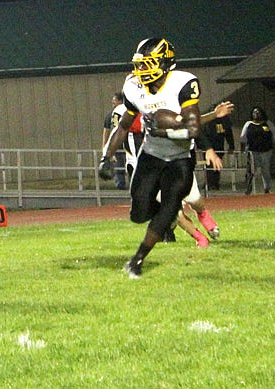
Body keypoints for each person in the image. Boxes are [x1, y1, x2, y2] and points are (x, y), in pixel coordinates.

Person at [99, 37, 209, 278]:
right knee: (138, 213)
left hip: (181, 156)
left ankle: (137, 260)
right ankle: (166, 216)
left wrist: (164, 129)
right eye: (140, 64)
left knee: (170, 204)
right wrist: (106, 157)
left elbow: (193, 129)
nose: (141, 70)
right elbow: (123, 126)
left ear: (165, 63)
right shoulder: (133, 87)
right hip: (151, 154)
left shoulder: (182, 82)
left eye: (147, 64)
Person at [240, 106, 275, 194]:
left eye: (258, 112)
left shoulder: (267, 123)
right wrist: (242, 149)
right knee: (250, 171)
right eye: (254, 112)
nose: (256, 114)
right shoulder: (248, 124)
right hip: (252, 151)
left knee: (265, 170)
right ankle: (248, 188)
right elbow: (243, 137)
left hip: (266, 151)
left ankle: (267, 188)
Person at [202, 103, 235, 190]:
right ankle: (209, 184)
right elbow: (202, 134)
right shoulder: (207, 122)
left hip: (219, 147)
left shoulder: (224, 120)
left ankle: (215, 183)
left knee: (217, 166)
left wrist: (231, 146)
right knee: (209, 166)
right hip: (208, 147)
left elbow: (228, 133)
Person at [101, 93, 127, 189]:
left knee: (122, 166)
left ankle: (121, 186)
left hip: (119, 143)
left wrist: (106, 147)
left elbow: (108, 131)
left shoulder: (114, 113)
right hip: (123, 143)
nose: (113, 102)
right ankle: (122, 185)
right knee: (120, 166)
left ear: (120, 101)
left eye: (115, 100)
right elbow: (107, 130)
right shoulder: (115, 113)